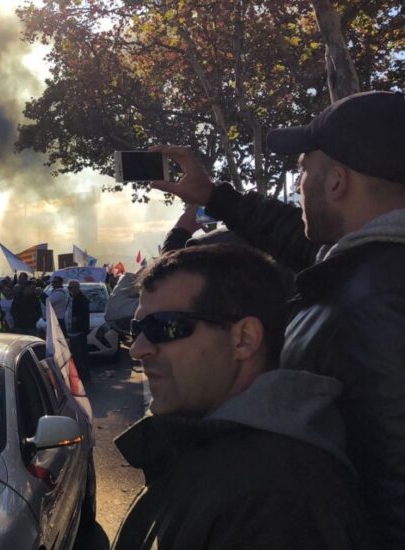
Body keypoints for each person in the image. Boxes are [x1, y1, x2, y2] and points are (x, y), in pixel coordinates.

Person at [150, 90, 405, 544]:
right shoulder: (362, 267)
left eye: (304, 168)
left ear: (336, 182)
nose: (299, 182)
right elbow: (293, 238)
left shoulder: (378, 304)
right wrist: (213, 196)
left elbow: (394, 487)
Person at [113, 245, 372, 549]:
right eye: (138, 328)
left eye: (164, 327)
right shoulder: (218, 455)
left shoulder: (275, 501)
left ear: (244, 339)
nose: (138, 348)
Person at [65, 279, 91, 381]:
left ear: (76, 288)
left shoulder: (82, 299)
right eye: (68, 288)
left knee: (81, 355)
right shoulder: (71, 299)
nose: (69, 290)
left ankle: (83, 375)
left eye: (71, 288)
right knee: (76, 355)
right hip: (71, 332)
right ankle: (80, 374)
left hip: (79, 332)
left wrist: (77, 319)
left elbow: (84, 315)